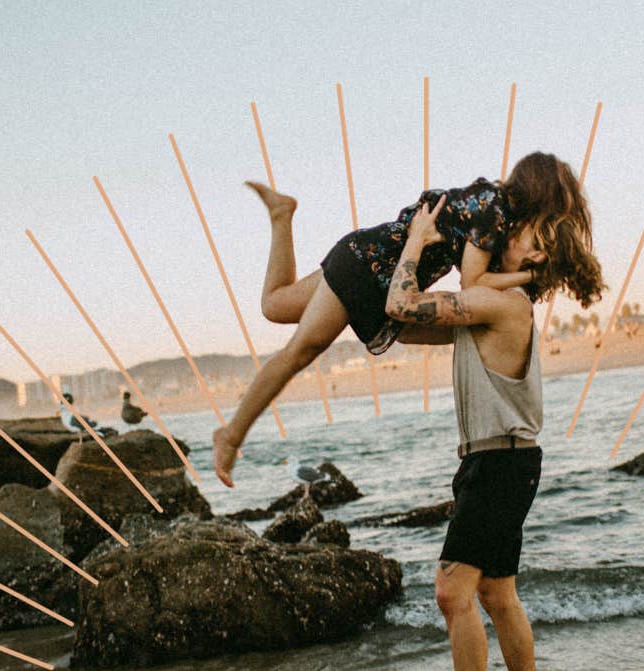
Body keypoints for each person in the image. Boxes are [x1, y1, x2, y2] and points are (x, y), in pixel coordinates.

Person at [213, 152, 601, 487]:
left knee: (276, 304)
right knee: (299, 351)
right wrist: (533, 276)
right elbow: (473, 282)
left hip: (370, 254)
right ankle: (230, 437)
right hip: (370, 268)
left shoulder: (492, 204)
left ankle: (282, 215)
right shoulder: (494, 210)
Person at [389, 196, 605, 671]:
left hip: (500, 462)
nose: (526, 243)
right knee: (498, 593)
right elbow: (402, 324)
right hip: (499, 462)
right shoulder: (492, 307)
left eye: (538, 244)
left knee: (451, 591)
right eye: (529, 235)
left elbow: (402, 303)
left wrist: (416, 240)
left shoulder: (504, 302)